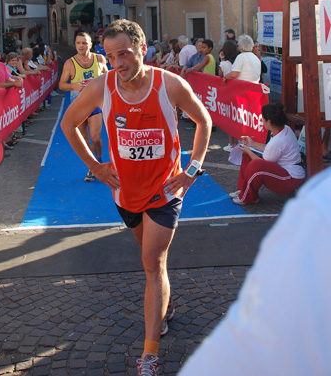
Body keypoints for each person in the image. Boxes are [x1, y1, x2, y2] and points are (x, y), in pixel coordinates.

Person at [61, 19, 212, 375]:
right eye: (111, 56)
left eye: (125, 53)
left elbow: (203, 121)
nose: (119, 62)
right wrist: (96, 166)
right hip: (125, 193)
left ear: (142, 49)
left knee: (152, 264)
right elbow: (69, 124)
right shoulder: (101, 87)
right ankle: (165, 305)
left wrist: (192, 170)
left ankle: (150, 355)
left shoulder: (168, 84)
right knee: (150, 262)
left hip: (164, 190)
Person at [178, 168, 331, 376]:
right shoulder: (319, 206)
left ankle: (246, 195)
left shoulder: (319, 211)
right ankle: (244, 193)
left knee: (255, 164)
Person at [230, 102, 305, 205]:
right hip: (287, 172)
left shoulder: (279, 139)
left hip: (291, 178)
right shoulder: (284, 129)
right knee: (248, 156)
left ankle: (248, 197)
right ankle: (243, 190)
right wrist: (252, 144)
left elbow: (260, 163)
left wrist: (247, 149)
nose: (262, 121)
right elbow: (270, 149)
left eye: (263, 119)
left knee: (255, 164)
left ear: (269, 122)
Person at [59, 31, 108, 182]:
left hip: (95, 105)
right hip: (78, 106)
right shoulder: (69, 63)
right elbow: (61, 85)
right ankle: (92, 168)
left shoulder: (99, 59)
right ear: (75, 45)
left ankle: (98, 161)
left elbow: (108, 77)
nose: (81, 46)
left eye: (84, 43)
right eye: (79, 43)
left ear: (90, 45)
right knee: (85, 141)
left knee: (96, 138)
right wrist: (73, 85)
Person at [218, 40, 239, 152]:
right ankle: (237, 142)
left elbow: (220, 74)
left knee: (229, 118)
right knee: (236, 118)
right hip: (237, 91)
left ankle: (232, 143)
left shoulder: (224, 63)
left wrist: (221, 60)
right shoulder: (237, 62)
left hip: (227, 92)